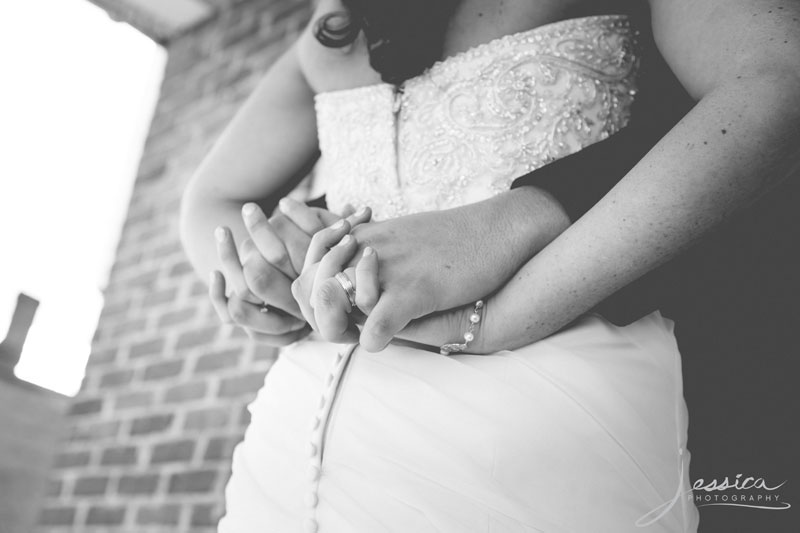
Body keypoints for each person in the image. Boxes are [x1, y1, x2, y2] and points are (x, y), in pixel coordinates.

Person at [179, 0, 800, 531]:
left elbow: (777, 80)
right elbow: (211, 201)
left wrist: (505, 308)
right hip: (290, 442)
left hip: (533, 431)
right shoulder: (331, 18)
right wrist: (265, 268)